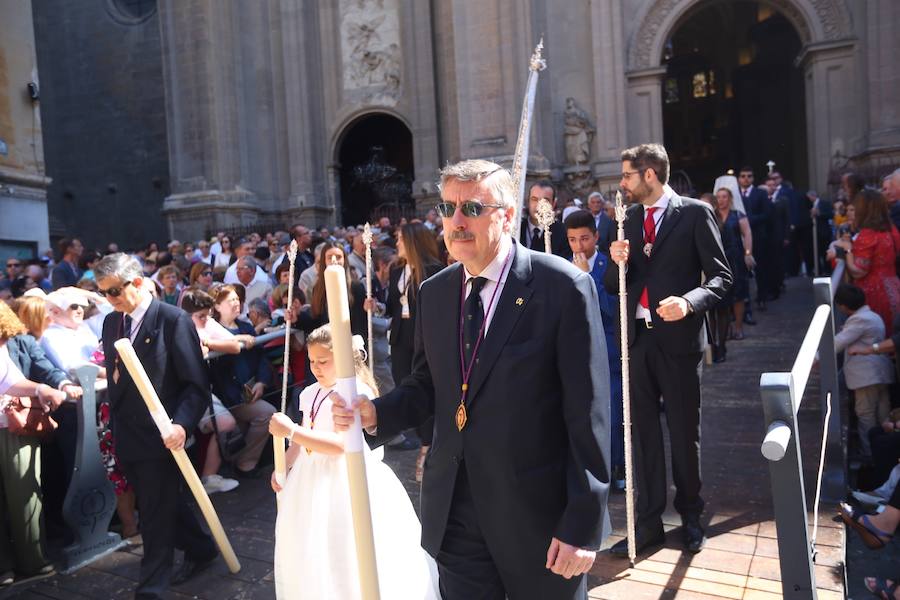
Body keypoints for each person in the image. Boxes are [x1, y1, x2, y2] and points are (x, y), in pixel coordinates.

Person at [333, 159, 610, 599]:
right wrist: (374, 413)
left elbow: (588, 412)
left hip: (537, 515)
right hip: (455, 510)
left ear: (504, 213)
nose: (456, 222)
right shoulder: (435, 291)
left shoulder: (562, 287)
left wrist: (583, 522)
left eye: (472, 209)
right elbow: (427, 383)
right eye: (448, 208)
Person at [606, 143, 732, 557]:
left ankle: (691, 516)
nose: (621, 183)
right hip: (637, 342)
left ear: (650, 174)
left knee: (683, 433)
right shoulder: (625, 219)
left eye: (627, 175)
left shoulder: (695, 213)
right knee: (641, 435)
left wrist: (689, 302)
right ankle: (648, 522)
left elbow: (721, 278)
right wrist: (615, 261)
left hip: (678, 342)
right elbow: (613, 285)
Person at [269, 324, 439, 599]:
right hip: (310, 477)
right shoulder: (309, 392)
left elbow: (342, 446)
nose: (315, 367)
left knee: (347, 543)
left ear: (345, 359)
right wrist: (285, 465)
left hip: (344, 479)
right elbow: (304, 435)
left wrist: (291, 431)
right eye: (312, 361)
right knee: (314, 542)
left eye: (323, 361)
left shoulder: (354, 393)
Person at [96, 253, 219, 597]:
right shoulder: (111, 323)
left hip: (161, 435)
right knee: (160, 502)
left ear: (136, 282)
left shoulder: (173, 320)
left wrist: (181, 424)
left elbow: (196, 384)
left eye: (114, 291)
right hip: (127, 434)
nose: (109, 299)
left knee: (153, 514)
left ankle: (152, 588)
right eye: (103, 292)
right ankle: (202, 548)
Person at [0, 305, 70, 587]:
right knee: (22, 496)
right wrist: (42, 389)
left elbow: (11, 381)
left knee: (24, 496)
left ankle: (29, 563)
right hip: (10, 429)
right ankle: (12, 566)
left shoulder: (9, 342)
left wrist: (43, 388)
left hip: (11, 427)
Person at [367, 222, 444, 472]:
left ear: (412, 241)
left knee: (425, 385)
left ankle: (427, 444)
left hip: (423, 335)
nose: (397, 243)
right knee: (404, 384)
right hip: (400, 338)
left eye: (400, 239)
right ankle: (425, 439)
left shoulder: (434, 270)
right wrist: (376, 306)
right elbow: (392, 308)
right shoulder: (398, 272)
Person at [565, 209, 625, 491]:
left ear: (596, 237)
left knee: (613, 412)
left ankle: (617, 465)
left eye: (584, 239)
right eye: (573, 240)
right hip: (575, 351)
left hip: (608, 349)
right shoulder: (563, 266)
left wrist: (589, 279)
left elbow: (612, 308)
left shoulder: (606, 265)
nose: (579, 246)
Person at [208, 285, 276, 478]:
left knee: (259, 418)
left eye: (237, 299)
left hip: (253, 389)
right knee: (267, 415)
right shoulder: (213, 332)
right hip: (231, 396)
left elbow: (262, 357)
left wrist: (262, 382)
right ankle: (246, 462)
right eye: (230, 300)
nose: (236, 303)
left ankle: (244, 461)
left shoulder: (246, 327)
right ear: (217, 306)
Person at [833, 189, 900, 337]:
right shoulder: (891, 229)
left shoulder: (868, 234)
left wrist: (848, 250)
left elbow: (858, 270)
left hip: (873, 293)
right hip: (894, 287)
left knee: (875, 337)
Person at [519, 180, 571, 258]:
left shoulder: (562, 232)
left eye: (545, 200)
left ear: (553, 204)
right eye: (534, 199)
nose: (539, 205)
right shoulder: (517, 228)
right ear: (528, 201)